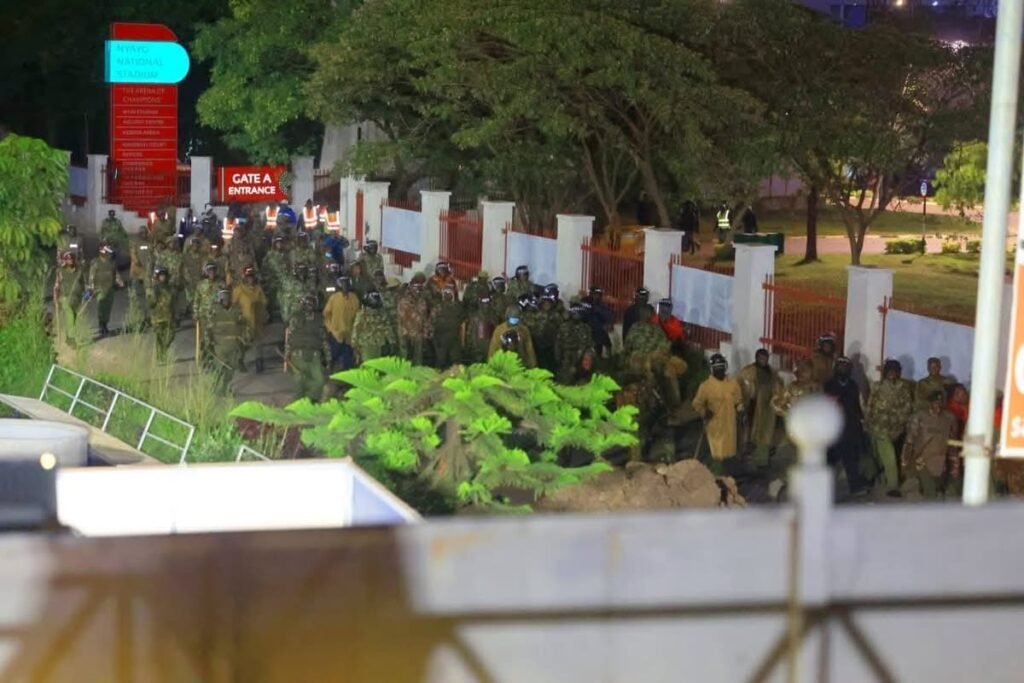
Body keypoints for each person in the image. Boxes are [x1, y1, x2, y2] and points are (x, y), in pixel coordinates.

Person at [624, 306, 689, 424]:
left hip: (653, 360)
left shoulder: (653, 329)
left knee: (670, 370)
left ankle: (672, 406)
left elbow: (665, 346)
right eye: (652, 315)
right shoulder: (638, 328)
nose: (653, 317)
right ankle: (672, 407)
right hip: (643, 361)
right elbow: (629, 348)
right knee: (665, 372)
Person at [865, 359, 915, 494]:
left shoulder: (904, 387)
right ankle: (893, 485)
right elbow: (870, 405)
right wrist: (868, 423)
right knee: (889, 456)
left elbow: (908, 407)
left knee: (885, 457)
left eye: (895, 370)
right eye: (889, 370)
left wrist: (901, 423)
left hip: (896, 428)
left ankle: (882, 479)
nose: (892, 373)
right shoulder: (877, 386)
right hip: (879, 427)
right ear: (885, 371)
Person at [824, 356, 868, 495]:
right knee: (829, 461)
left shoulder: (853, 385)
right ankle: (824, 489)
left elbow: (857, 406)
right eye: (840, 366)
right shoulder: (829, 385)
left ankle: (855, 487)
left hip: (850, 429)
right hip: (833, 427)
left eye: (845, 367)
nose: (843, 369)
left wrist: (861, 421)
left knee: (851, 460)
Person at [901, 390, 957, 499]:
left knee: (940, 490)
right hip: (922, 461)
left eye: (941, 402)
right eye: (935, 402)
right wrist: (904, 462)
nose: (938, 405)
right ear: (930, 403)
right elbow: (909, 441)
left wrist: (955, 466)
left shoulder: (950, 418)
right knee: (929, 492)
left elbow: (952, 445)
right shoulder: (919, 417)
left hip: (940, 463)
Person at [693, 354, 744, 468]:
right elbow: (697, 403)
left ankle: (729, 471)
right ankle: (716, 471)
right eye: (717, 368)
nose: (719, 370)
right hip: (715, 424)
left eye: (721, 367)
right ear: (712, 369)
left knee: (730, 451)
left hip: (730, 423)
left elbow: (738, 401)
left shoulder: (733, 384)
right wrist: (704, 411)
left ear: (725, 367)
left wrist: (741, 410)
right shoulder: (705, 386)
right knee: (717, 452)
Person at [738, 349, 783, 464]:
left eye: (766, 359)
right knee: (748, 427)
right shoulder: (748, 371)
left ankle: (762, 452)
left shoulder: (771, 372)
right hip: (752, 404)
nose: (764, 361)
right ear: (756, 358)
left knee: (765, 429)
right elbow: (742, 386)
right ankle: (746, 451)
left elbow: (778, 385)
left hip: (767, 405)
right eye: (761, 358)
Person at [286, 294, 329, 401]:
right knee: (299, 381)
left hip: (315, 354)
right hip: (298, 354)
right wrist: (287, 354)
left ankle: (310, 399)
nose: (310, 306)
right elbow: (289, 336)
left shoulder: (319, 319)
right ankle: (299, 403)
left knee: (319, 381)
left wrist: (328, 357)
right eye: (308, 304)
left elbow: (324, 339)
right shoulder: (296, 318)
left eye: (312, 304)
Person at [232, 265, 269, 373]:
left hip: (257, 321)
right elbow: (233, 305)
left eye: (252, 276)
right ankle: (239, 360)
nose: (250, 279)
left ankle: (259, 363)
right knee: (243, 343)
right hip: (245, 321)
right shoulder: (239, 290)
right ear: (244, 277)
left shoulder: (258, 289)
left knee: (258, 343)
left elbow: (264, 302)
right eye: (248, 277)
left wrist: (264, 315)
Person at [208, 288, 245, 389]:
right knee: (220, 367)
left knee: (230, 369)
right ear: (219, 299)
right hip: (219, 345)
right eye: (223, 298)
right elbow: (209, 328)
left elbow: (242, 325)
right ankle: (215, 386)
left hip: (233, 345)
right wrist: (209, 343)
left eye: (227, 297)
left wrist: (243, 340)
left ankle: (225, 387)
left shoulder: (236, 311)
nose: (225, 300)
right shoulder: (215, 311)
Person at [323, 275, 361, 371]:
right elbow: (326, 314)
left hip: (349, 334)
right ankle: (330, 371)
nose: (345, 286)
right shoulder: (334, 298)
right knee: (333, 355)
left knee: (348, 358)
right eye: (343, 284)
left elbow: (358, 314)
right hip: (336, 333)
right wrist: (330, 329)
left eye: (347, 284)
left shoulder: (354, 298)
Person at [352, 290, 397, 362]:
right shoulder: (363, 314)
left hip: (375, 343)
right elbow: (356, 329)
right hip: (369, 343)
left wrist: (392, 341)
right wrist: (354, 345)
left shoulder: (380, 314)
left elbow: (387, 328)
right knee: (370, 364)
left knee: (374, 364)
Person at [87, 243, 121, 338]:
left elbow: (116, 273)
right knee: (101, 307)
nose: (109, 254)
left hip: (110, 289)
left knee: (107, 308)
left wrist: (119, 282)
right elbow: (91, 276)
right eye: (107, 252)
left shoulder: (112, 262)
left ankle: (105, 324)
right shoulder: (96, 262)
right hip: (100, 289)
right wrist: (91, 288)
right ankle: (101, 326)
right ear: (102, 252)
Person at [555, 302, 594, 382]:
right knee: (566, 383)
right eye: (574, 312)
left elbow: (590, 345)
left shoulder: (586, 328)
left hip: (582, 359)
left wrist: (587, 357)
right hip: (567, 360)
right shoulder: (563, 327)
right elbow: (558, 345)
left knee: (583, 383)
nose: (576, 315)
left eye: (578, 312)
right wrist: (558, 360)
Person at [398, 273, 430, 365]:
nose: (418, 290)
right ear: (411, 288)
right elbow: (402, 319)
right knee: (405, 358)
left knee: (418, 358)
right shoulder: (404, 301)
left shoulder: (422, 301)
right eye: (416, 288)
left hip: (418, 334)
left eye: (420, 288)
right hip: (406, 334)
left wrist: (425, 332)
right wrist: (407, 334)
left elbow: (425, 317)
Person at [54, 251, 85, 345]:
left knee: (73, 318)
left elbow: (83, 283)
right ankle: (72, 338)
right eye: (68, 259)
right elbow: (57, 285)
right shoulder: (61, 271)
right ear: (65, 260)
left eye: (71, 259)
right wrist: (55, 297)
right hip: (65, 298)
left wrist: (86, 294)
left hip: (76, 298)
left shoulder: (79, 271)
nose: (70, 261)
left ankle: (68, 337)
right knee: (70, 316)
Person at [127, 226, 155, 331]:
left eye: (145, 232)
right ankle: (136, 320)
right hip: (136, 273)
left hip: (147, 274)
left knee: (149, 298)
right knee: (135, 298)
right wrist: (137, 262)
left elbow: (153, 256)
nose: (143, 234)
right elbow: (133, 256)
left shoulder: (150, 244)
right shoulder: (135, 244)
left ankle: (147, 318)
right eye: (141, 233)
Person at [432, 284, 465, 368]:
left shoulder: (458, 306)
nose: (447, 294)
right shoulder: (437, 306)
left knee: (456, 362)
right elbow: (431, 322)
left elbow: (463, 319)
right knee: (441, 362)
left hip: (454, 339)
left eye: (449, 292)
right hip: (440, 339)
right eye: (445, 292)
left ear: (453, 294)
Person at [148, 267, 176, 363]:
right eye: (161, 276)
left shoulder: (170, 288)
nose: (163, 277)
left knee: (171, 335)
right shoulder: (153, 289)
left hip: (169, 316)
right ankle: (160, 357)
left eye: (164, 275)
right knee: (159, 338)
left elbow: (173, 302)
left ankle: (163, 350)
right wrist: (154, 294)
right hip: (158, 317)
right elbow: (150, 303)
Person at [462, 292, 496, 364]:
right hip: (478, 347)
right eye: (484, 303)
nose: (486, 305)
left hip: (490, 345)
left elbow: (496, 330)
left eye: (487, 302)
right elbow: (471, 334)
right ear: (480, 303)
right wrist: (474, 349)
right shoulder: (475, 317)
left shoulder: (492, 315)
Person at [583, 286, 613, 357]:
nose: (597, 296)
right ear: (591, 294)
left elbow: (608, 317)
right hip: (586, 335)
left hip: (599, 335)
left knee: (599, 354)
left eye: (598, 294)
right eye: (595, 294)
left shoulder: (602, 306)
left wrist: (596, 309)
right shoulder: (585, 304)